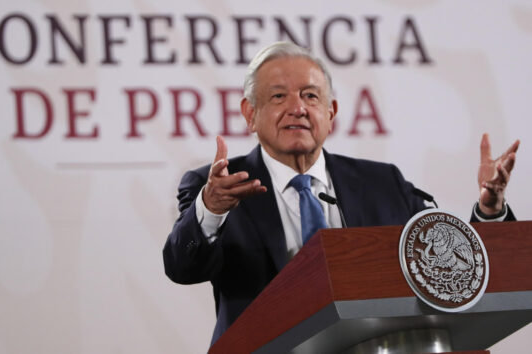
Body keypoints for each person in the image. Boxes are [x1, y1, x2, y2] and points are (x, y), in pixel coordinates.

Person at [162, 42, 519, 345]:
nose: (297, 107)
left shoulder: (382, 183)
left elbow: (450, 267)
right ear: (250, 113)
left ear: (330, 113)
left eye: (310, 96)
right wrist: (210, 209)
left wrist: (490, 211)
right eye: (278, 96)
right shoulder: (220, 186)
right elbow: (182, 267)